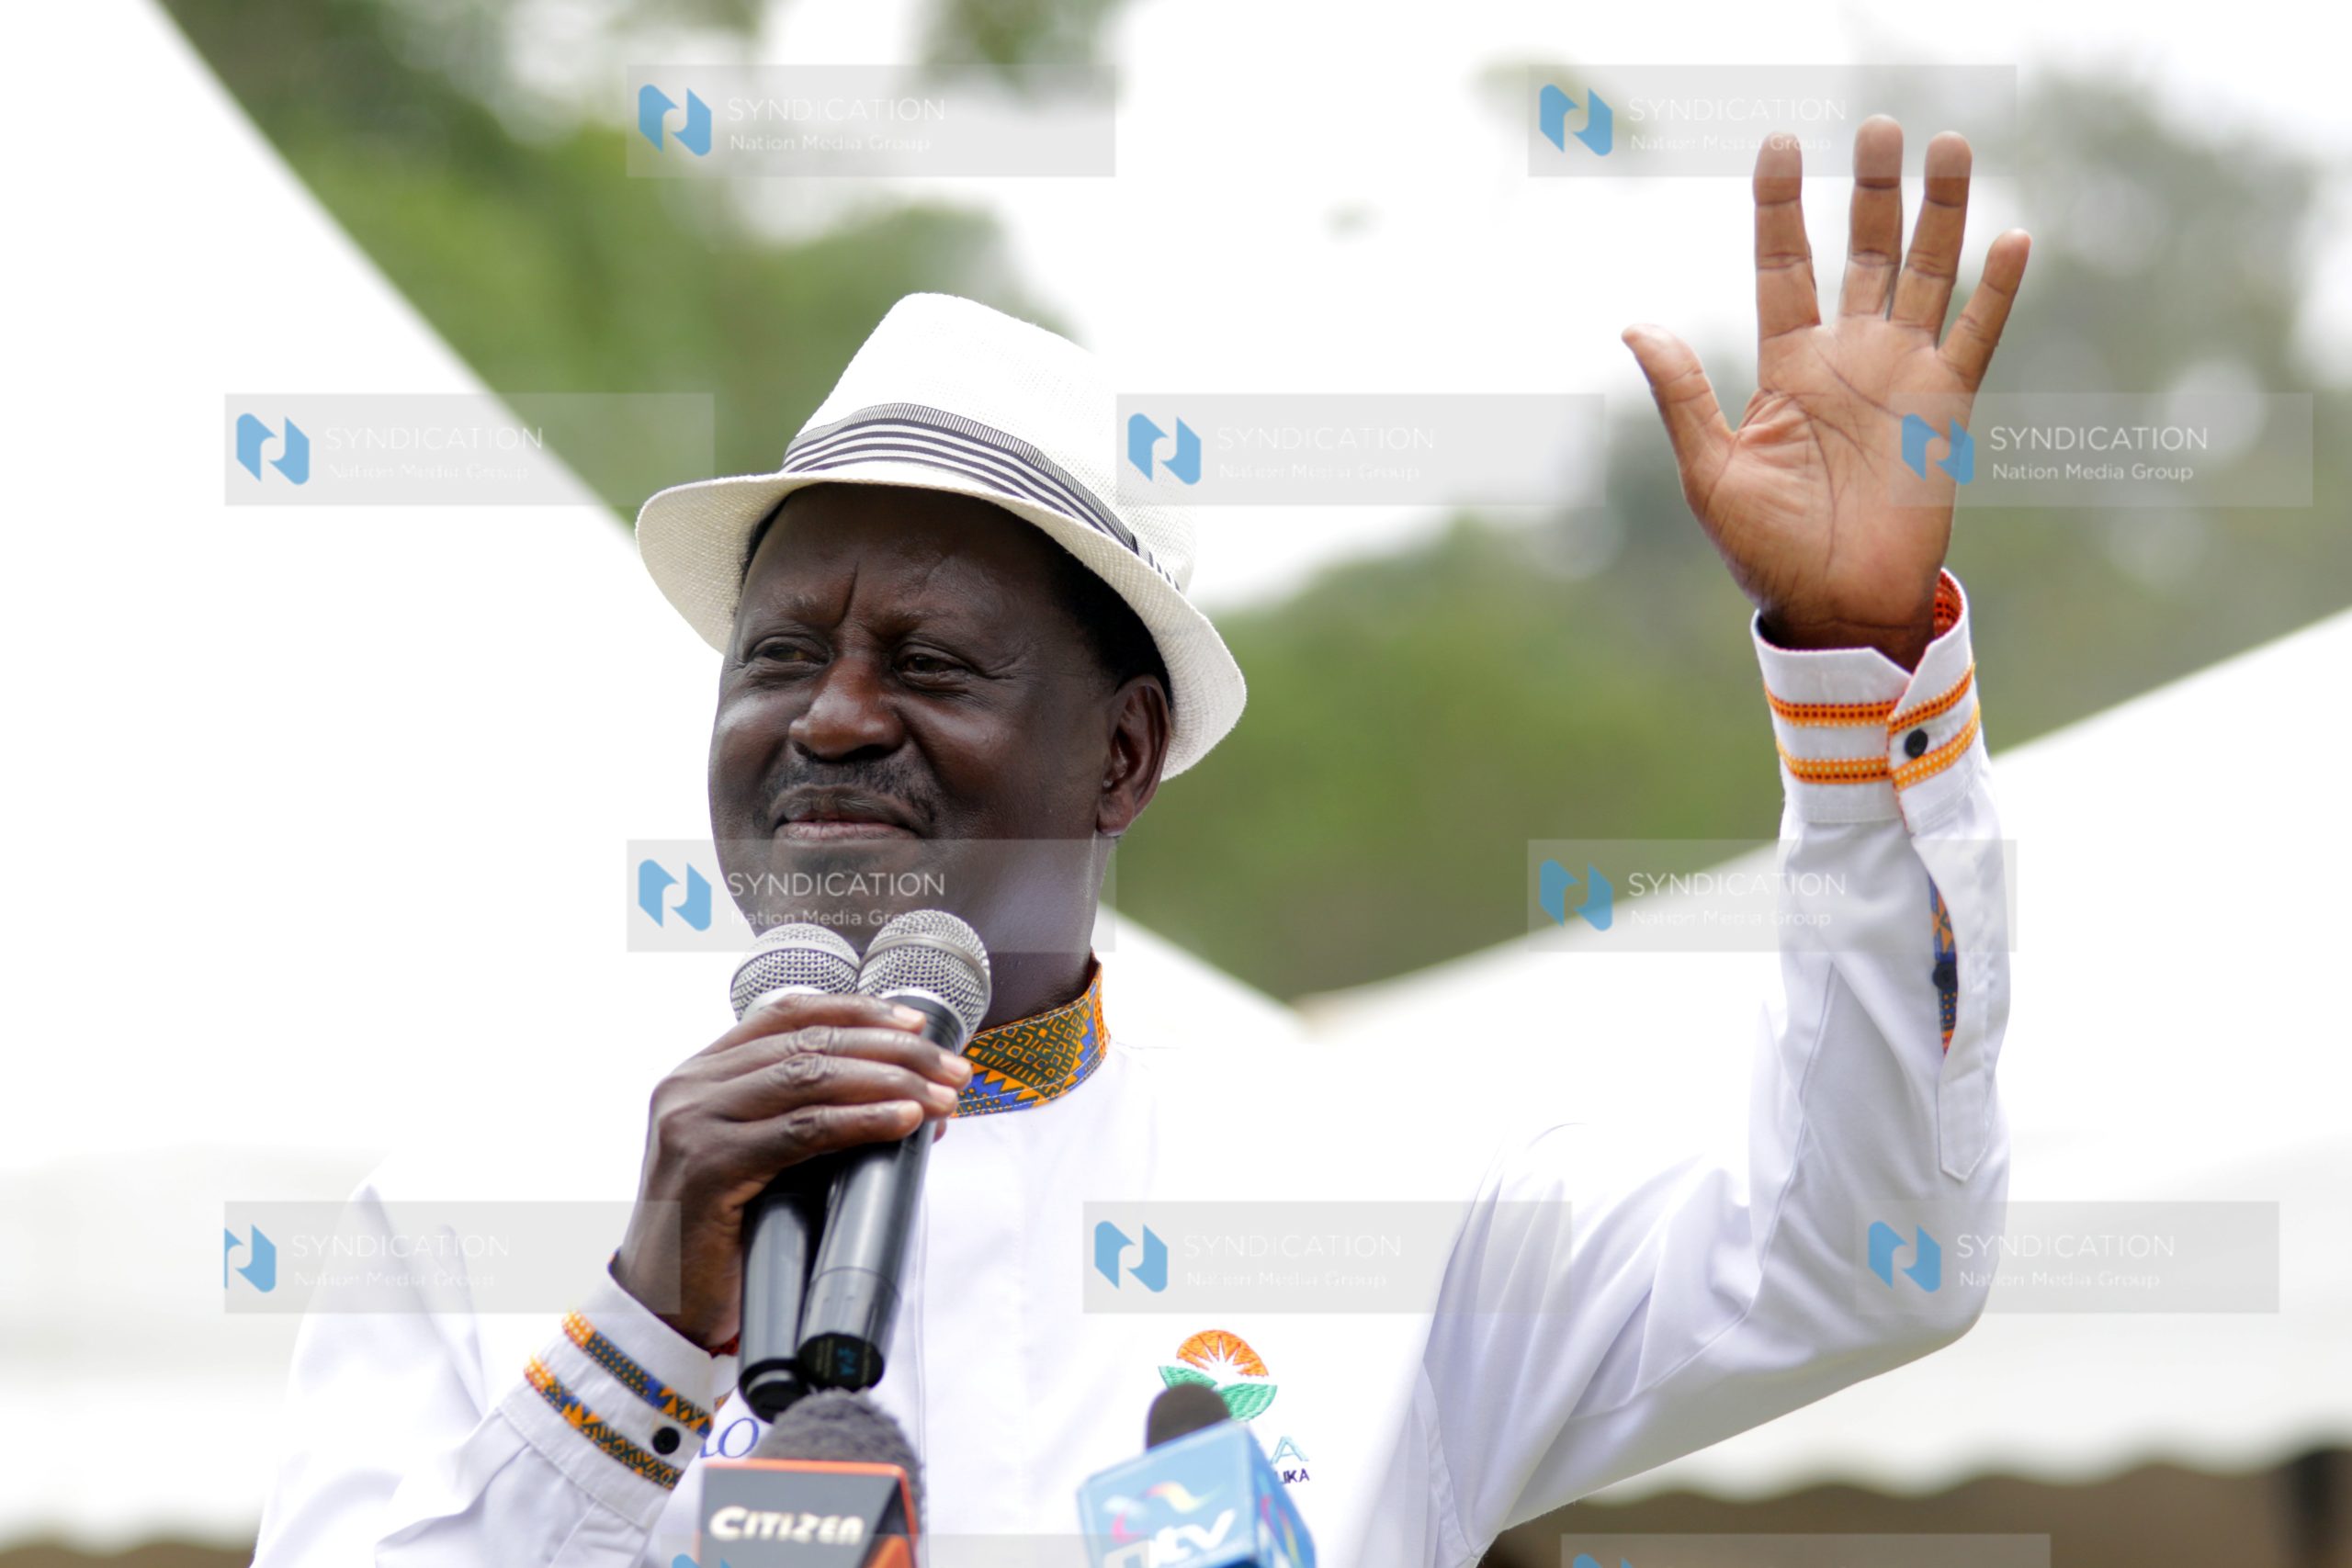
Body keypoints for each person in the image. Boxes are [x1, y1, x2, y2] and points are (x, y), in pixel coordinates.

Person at [253, 119, 2026, 1566]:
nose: (834, 716)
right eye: (779, 656)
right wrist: (642, 1331)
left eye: (927, 663)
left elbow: (1867, 1257)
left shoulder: (1389, 1207)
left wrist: (1862, 679)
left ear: (1120, 754)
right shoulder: (471, 1215)